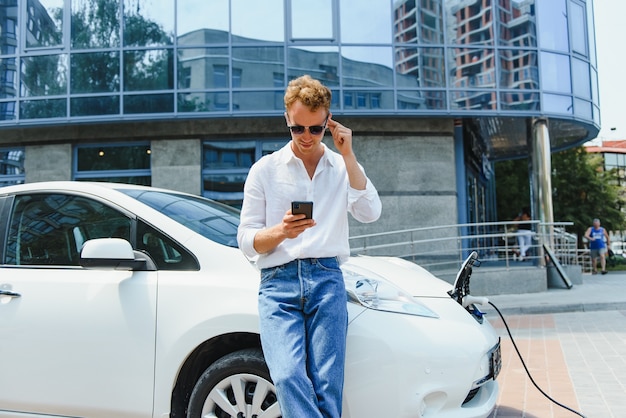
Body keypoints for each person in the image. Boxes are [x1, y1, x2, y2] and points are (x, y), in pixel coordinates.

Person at [237, 75, 382, 418]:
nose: (305, 137)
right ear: (287, 119)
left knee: (326, 386)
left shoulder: (341, 167)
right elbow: (246, 240)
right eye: (297, 128)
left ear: (327, 122)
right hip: (278, 282)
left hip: (327, 278)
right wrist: (282, 232)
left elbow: (370, 212)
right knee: (287, 376)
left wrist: (348, 155)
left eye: (315, 129)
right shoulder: (265, 170)